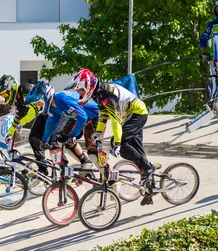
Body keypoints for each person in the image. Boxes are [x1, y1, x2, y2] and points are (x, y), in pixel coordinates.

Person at [67, 68, 157, 206]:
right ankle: (149, 190)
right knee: (139, 151)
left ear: (87, 86)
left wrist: (117, 143)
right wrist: (97, 133)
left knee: (124, 147)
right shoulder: (99, 93)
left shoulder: (106, 94)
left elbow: (115, 120)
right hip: (130, 116)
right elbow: (103, 116)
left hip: (137, 114)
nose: (79, 93)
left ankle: (147, 169)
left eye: (80, 90)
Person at [25, 81, 88, 156]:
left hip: (89, 111)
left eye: (39, 101)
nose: (38, 104)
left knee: (60, 140)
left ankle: (84, 162)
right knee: (56, 139)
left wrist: (73, 135)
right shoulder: (52, 108)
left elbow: (83, 118)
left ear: (46, 97)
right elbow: (51, 124)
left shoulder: (62, 100)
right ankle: (63, 165)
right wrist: (45, 141)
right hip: (75, 116)